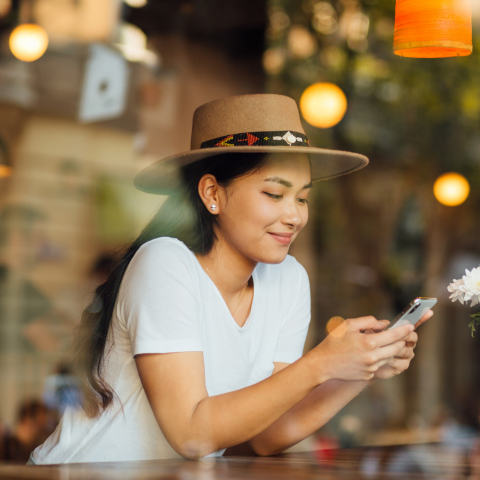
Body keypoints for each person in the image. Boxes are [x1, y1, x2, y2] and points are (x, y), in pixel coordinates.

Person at [27, 94, 433, 464]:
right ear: (212, 194)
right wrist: (323, 361)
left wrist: (358, 367)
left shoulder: (288, 280)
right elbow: (190, 435)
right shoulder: (164, 264)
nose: (295, 216)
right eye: (275, 194)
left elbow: (268, 435)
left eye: (303, 197)